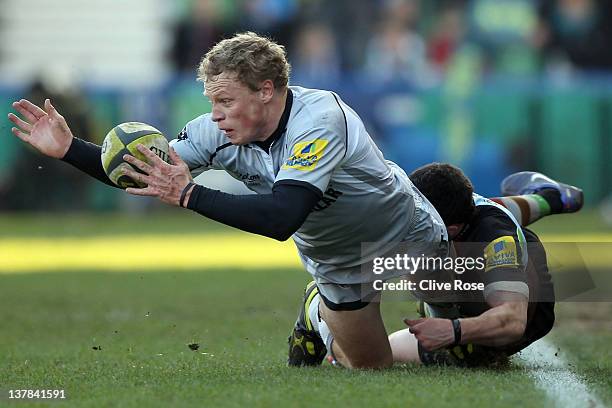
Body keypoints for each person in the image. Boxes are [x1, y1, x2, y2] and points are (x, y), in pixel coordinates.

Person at [7, 32, 448, 370]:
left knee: (475, 330)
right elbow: (151, 174)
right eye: (211, 101)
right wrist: (70, 149)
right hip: (336, 261)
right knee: (372, 369)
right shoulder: (212, 131)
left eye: (225, 101)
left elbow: (282, 217)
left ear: (266, 90)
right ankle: (318, 312)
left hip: (405, 234)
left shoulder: (319, 121)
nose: (215, 114)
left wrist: (188, 193)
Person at [386, 163, 582, 366]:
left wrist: (454, 330)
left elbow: (513, 320)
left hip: (530, 310)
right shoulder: (460, 213)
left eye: (417, 219)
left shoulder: (495, 241)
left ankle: (552, 198)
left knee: (464, 353)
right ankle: (553, 198)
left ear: (450, 229)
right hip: (471, 232)